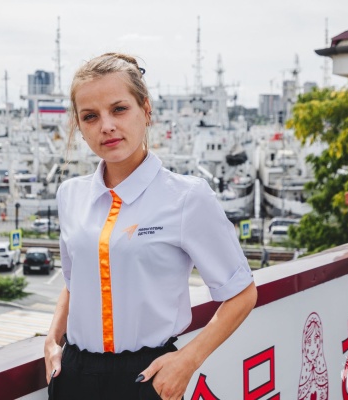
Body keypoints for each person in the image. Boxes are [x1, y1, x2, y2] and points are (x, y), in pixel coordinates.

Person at [44, 52, 257, 400]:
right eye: (90, 116)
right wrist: (52, 340)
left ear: (146, 110)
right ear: (79, 126)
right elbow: (73, 282)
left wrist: (187, 361)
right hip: (73, 377)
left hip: (147, 377)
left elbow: (242, 293)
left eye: (119, 109)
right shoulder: (70, 195)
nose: (106, 126)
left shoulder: (186, 197)